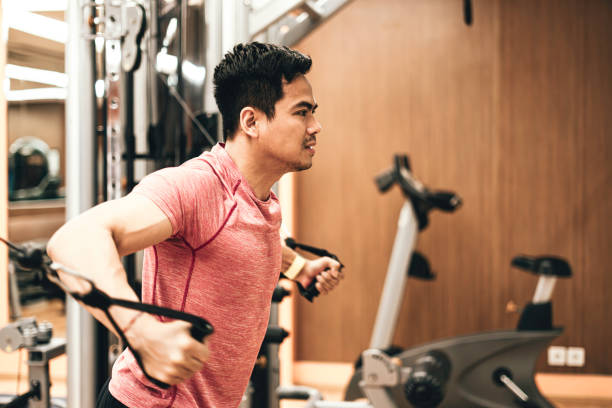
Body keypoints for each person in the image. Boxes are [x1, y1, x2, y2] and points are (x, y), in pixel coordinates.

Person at [47, 42, 344, 408]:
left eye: (312, 112)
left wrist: (301, 268)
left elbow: (239, 245)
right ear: (251, 121)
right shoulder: (197, 185)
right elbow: (73, 240)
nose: (316, 126)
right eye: (302, 113)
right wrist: (141, 333)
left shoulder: (259, 196)